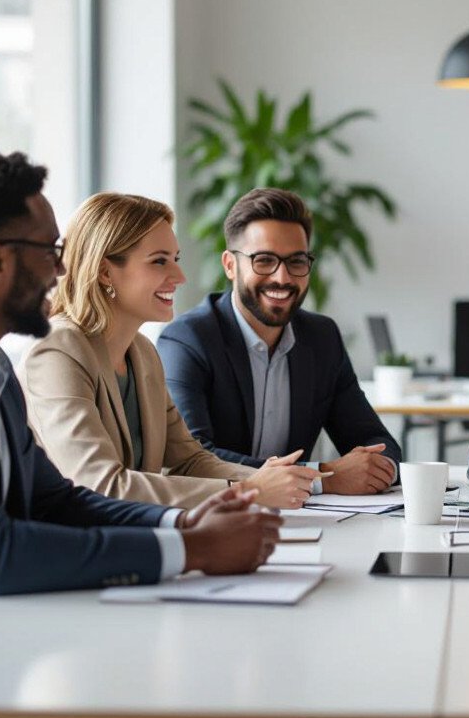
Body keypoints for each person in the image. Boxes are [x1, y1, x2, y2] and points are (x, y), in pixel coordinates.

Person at [0, 149, 280, 681]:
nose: (61, 268)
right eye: (51, 250)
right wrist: (190, 547)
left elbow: (55, 500)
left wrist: (184, 521)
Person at [22, 193, 320, 509]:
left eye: (175, 260)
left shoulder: (142, 353)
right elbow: (101, 485)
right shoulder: (57, 352)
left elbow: (190, 460)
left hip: (135, 536)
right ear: (106, 272)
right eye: (159, 261)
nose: (179, 277)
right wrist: (248, 490)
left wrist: (289, 480)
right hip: (77, 548)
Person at [158, 188, 400, 495]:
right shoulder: (188, 340)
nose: (282, 278)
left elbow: (376, 441)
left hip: (305, 523)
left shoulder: (321, 338)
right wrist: (321, 477)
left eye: (296, 261)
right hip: (217, 519)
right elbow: (192, 460)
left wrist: (379, 467)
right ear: (230, 265)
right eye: (264, 260)